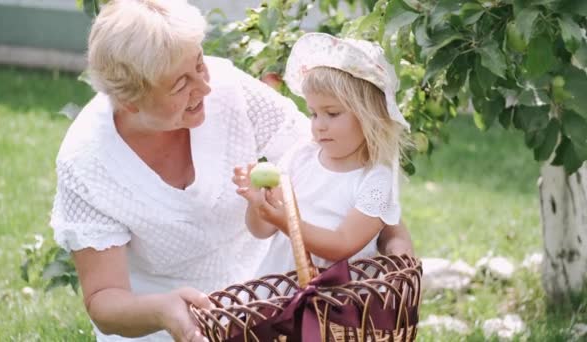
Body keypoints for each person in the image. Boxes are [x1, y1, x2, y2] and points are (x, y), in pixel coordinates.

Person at [49, 1, 414, 341]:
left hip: (267, 304)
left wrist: (394, 239)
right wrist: (163, 310)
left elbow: (346, 164)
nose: (205, 86)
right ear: (130, 101)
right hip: (164, 327)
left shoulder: (227, 89)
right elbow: (104, 299)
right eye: (181, 84)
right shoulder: (89, 160)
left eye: (199, 63)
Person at [233, 32, 411, 276]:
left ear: (369, 117)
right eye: (314, 113)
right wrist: (259, 206)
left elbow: (342, 244)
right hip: (279, 291)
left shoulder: (375, 180)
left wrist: (289, 223)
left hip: (334, 300)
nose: (319, 125)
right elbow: (261, 231)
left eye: (332, 113)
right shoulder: (300, 157)